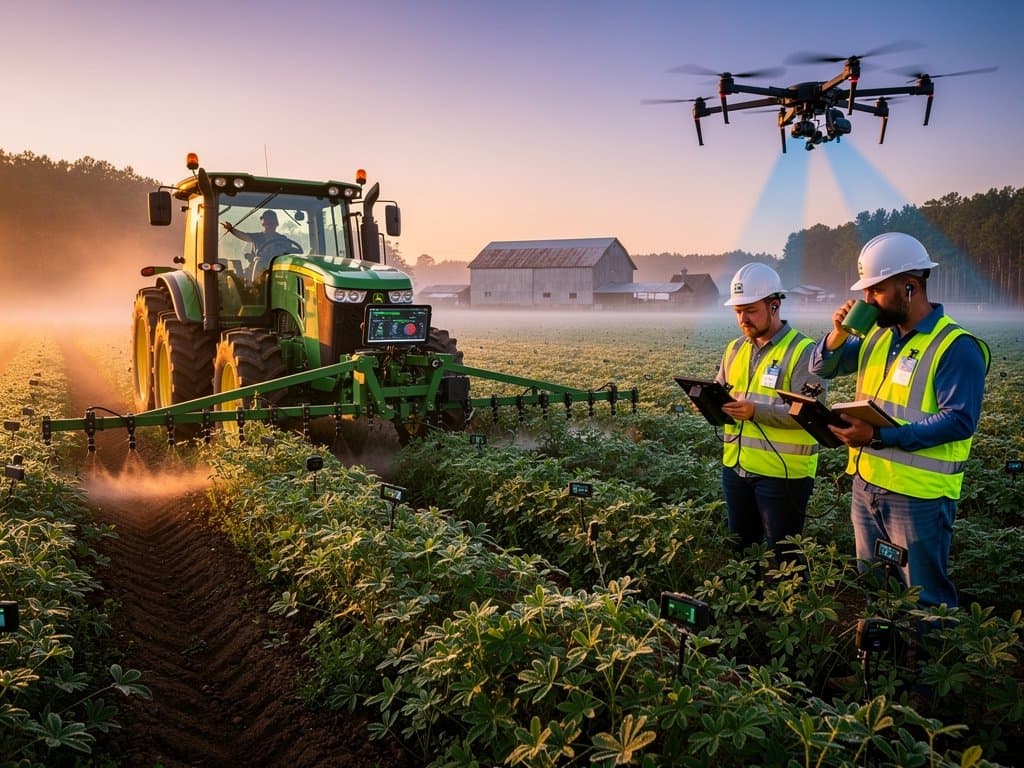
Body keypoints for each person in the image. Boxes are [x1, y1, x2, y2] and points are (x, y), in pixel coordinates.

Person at [809, 232, 989, 608]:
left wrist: (879, 434)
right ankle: (883, 658)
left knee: (924, 597)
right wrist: (839, 333)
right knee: (875, 588)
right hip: (867, 484)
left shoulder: (955, 346)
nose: (867, 301)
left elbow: (959, 421)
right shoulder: (878, 337)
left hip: (918, 497)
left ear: (909, 287)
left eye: (875, 291)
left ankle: (923, 664)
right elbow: (823, 367)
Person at [715, 262, 826, 560]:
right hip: (736, 467)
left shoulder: (805, 352)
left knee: (784, 557)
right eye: (738, 311)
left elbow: (810, 413)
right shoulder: (735, 349)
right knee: (740, 551)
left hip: (783, 474)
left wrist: (756, 411)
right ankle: (747, 605)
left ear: (774, 305)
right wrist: (708, 402)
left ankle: (789, 604)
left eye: (750, 310)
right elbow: (721, 390)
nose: (743, 319)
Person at [221, 210, 301, 283]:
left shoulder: (283, 240)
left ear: (276, 224)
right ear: (263, 224)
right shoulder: (257, 237)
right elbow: (244, 236)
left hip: (278, 271)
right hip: (257, 271)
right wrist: (232, 230)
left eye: (272, 224)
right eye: (267, 224)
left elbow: (290, 252)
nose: (269, 226)